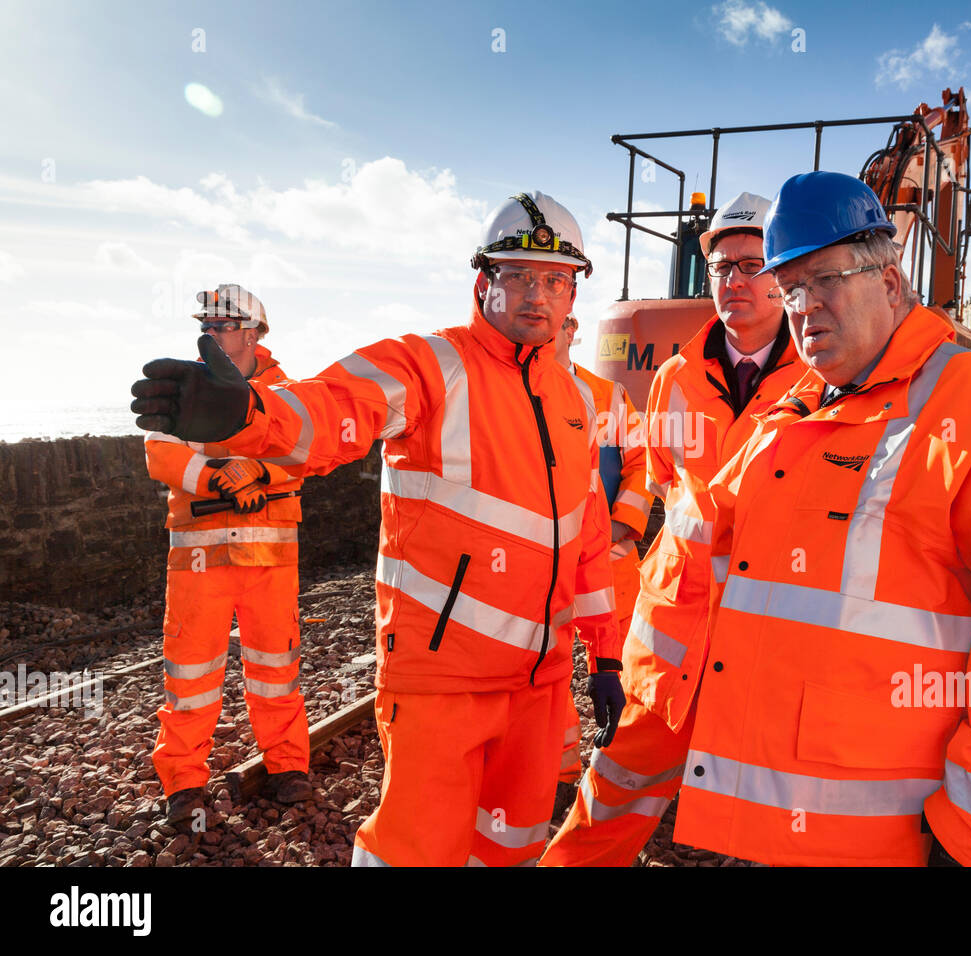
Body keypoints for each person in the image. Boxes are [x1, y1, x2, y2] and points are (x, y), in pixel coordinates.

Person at [131, 192, 625, 866]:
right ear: (484, 282)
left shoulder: (573, 402)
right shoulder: (427, 366)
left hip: (538, 690)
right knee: (413, 852)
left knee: (511, 847)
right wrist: (248, 415)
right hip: (443, 681)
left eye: (555, 280)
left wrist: (607, 656)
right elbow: (333, 409)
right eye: (517, 275)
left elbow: (588, 539)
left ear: (574, 295)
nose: (537, 295)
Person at [666, 171, 971, 866]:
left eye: (826, 280)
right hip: (776, 829)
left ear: (892, 282)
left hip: (896, 839)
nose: (804, 307)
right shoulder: (791, 418)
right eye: (790, 291)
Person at [542, 191, 805, 866]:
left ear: (784, 274)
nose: (733, 281)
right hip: (673, 637)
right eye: (720, 266)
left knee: (780, 826)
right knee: (611, 797)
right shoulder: (674, 379)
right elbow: (663, 485)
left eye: (751, 265)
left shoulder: (828, 379)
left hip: (772, 642)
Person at [143, 285, 311, 824]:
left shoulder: (287, 391)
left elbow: (308, 449)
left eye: (224, 325)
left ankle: (288, 767)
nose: (212, 334)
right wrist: (223, 477)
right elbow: (162, 453)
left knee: (276, 668)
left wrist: (263, 470)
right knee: (190, 678)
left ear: (255, 332)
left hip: (269, 561)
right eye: (208, 325)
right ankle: (184, 785)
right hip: (199, 565)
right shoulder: (183, 386)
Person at [552, 313, 654, 783]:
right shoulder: (515, 395)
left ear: (573, 331)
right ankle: (560, 770)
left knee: (624, 658)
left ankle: (625, 755)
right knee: (548, 666)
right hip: (548, 558)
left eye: (563, 324)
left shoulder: (609, 396)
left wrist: (621, 524)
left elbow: (640, 463)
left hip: (610, 557)